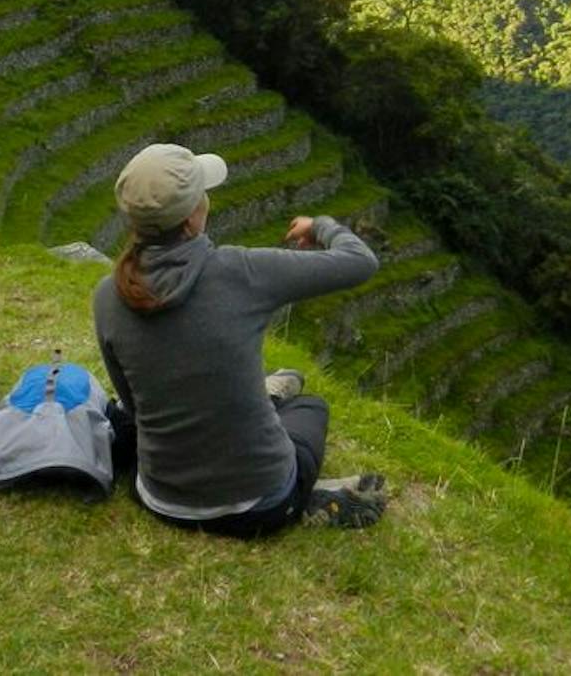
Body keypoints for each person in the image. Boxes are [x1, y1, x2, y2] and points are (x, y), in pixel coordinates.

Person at [93, 143, 388, 537]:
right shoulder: (242, 271)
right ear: (192, 218)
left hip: (160, 499)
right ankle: (302, 495)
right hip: (258, 504)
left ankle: (265, 396)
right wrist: (320, 225)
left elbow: (134, 406)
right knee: (310, 408)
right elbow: (361, 262)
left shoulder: (107, 295)